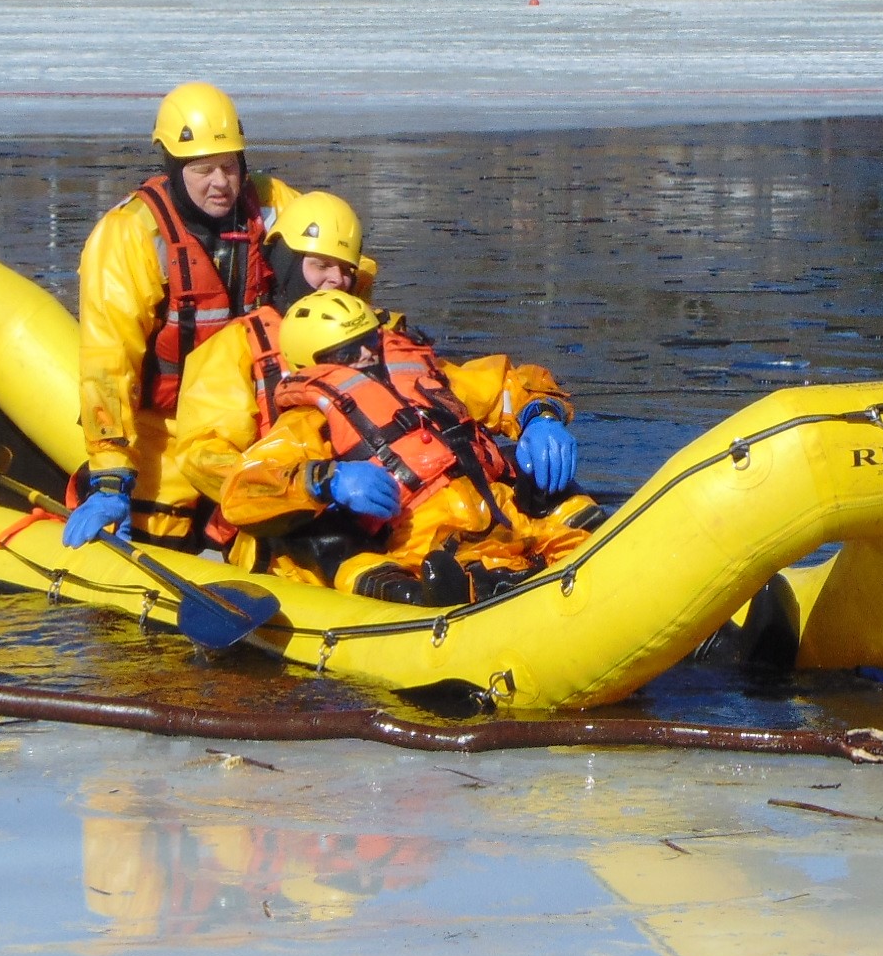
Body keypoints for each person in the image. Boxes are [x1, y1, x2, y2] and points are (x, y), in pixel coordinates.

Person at [215, 291, 596, 605]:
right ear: (314, 365)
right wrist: (325, 479)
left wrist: (541, 416)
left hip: (498, 511)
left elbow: (509, 384)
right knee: (325, 539)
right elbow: (243, 488)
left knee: (541, 481)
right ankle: (421, 600)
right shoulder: (306, 421)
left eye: (368, 342)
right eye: (347, 354)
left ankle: (592, 549)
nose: (365, 357)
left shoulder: (428, 377)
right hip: (415, 543)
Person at [67, 82, 304, 549]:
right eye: (203, 169)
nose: (221, 183)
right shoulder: (130, 235)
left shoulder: (276, 206)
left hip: (255, 424)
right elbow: (107, 359)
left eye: (230, 166)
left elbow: (341, 265)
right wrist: (111, 468)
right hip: (167, 430)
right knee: (164, 533)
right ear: (173, 167)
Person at [148, 190, 371, 556]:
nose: (337, 280)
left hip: (373, 506)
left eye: (346, 269)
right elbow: (203, 454)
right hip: (274, 526)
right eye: (320, 265)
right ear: (287, 263)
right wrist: (306, 483)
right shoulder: (237, 346)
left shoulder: (373, 336)